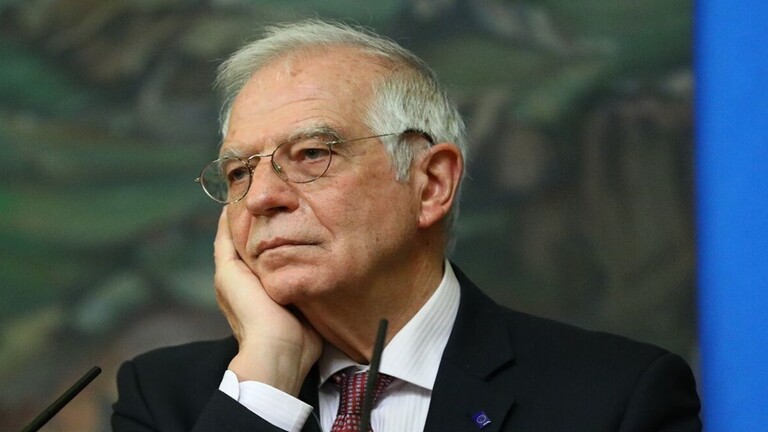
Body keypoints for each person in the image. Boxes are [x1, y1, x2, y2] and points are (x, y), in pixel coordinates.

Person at [112, 19, 702, 432]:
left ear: (431, 183)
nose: (262, 196)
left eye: (312, 154)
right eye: (239, 172)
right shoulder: (169, 400)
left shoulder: (615, 398)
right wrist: (265, 378)